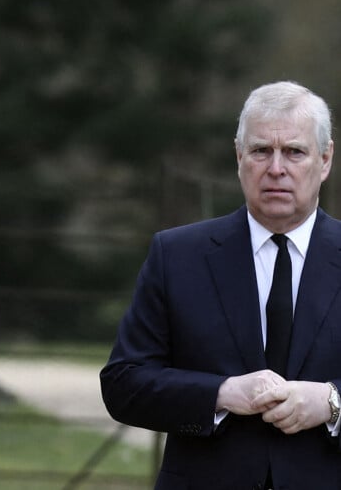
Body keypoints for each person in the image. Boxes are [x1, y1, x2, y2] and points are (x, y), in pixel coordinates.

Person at [100, 81, 341, 489]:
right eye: (261, 150)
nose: (276, 168)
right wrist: (222, 393)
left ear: (325, 159)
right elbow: (124, 382)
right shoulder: (177, 255)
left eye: (294, 152)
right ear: (238, 157)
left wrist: (332, 403)